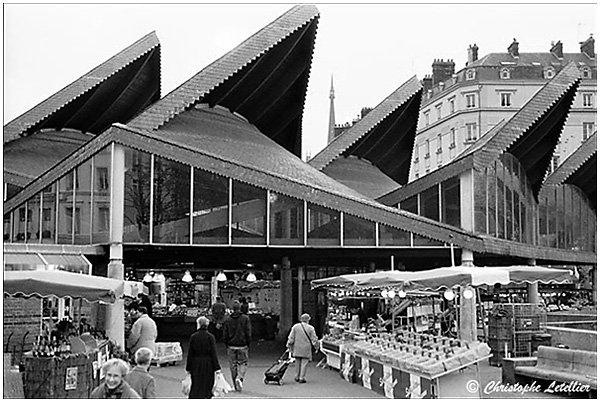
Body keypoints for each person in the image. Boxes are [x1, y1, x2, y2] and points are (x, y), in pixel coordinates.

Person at [185, 316, 221, 399]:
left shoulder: (194, 337)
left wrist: (188, 368)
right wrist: (217, 368)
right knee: (207, 383)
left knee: (196, 383)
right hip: (208, 363)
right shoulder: (211, 337)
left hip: (196, 363)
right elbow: (213, 353)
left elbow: (190, 353)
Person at [222, 301, 251, 392]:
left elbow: (225, 334)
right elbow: (248, 332)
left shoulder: (227, 320)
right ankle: (240, 377)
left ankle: (235, 384)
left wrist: (226, 343)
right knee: (243, 363)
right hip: (242, 344)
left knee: (233, 365)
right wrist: (248, 342)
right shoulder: (245, 319)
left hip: (231, 345)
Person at [286, 313, 319, 384]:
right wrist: (316, 346)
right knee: (304, 362)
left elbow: (291, 337)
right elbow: (314, 339)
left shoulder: (295, 327)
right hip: (306, 347)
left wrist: (289, 344)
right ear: (308, 320)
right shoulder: (311, 328)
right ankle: (302, 377)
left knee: (297, 362)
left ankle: (296, 376)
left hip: (297, 347)